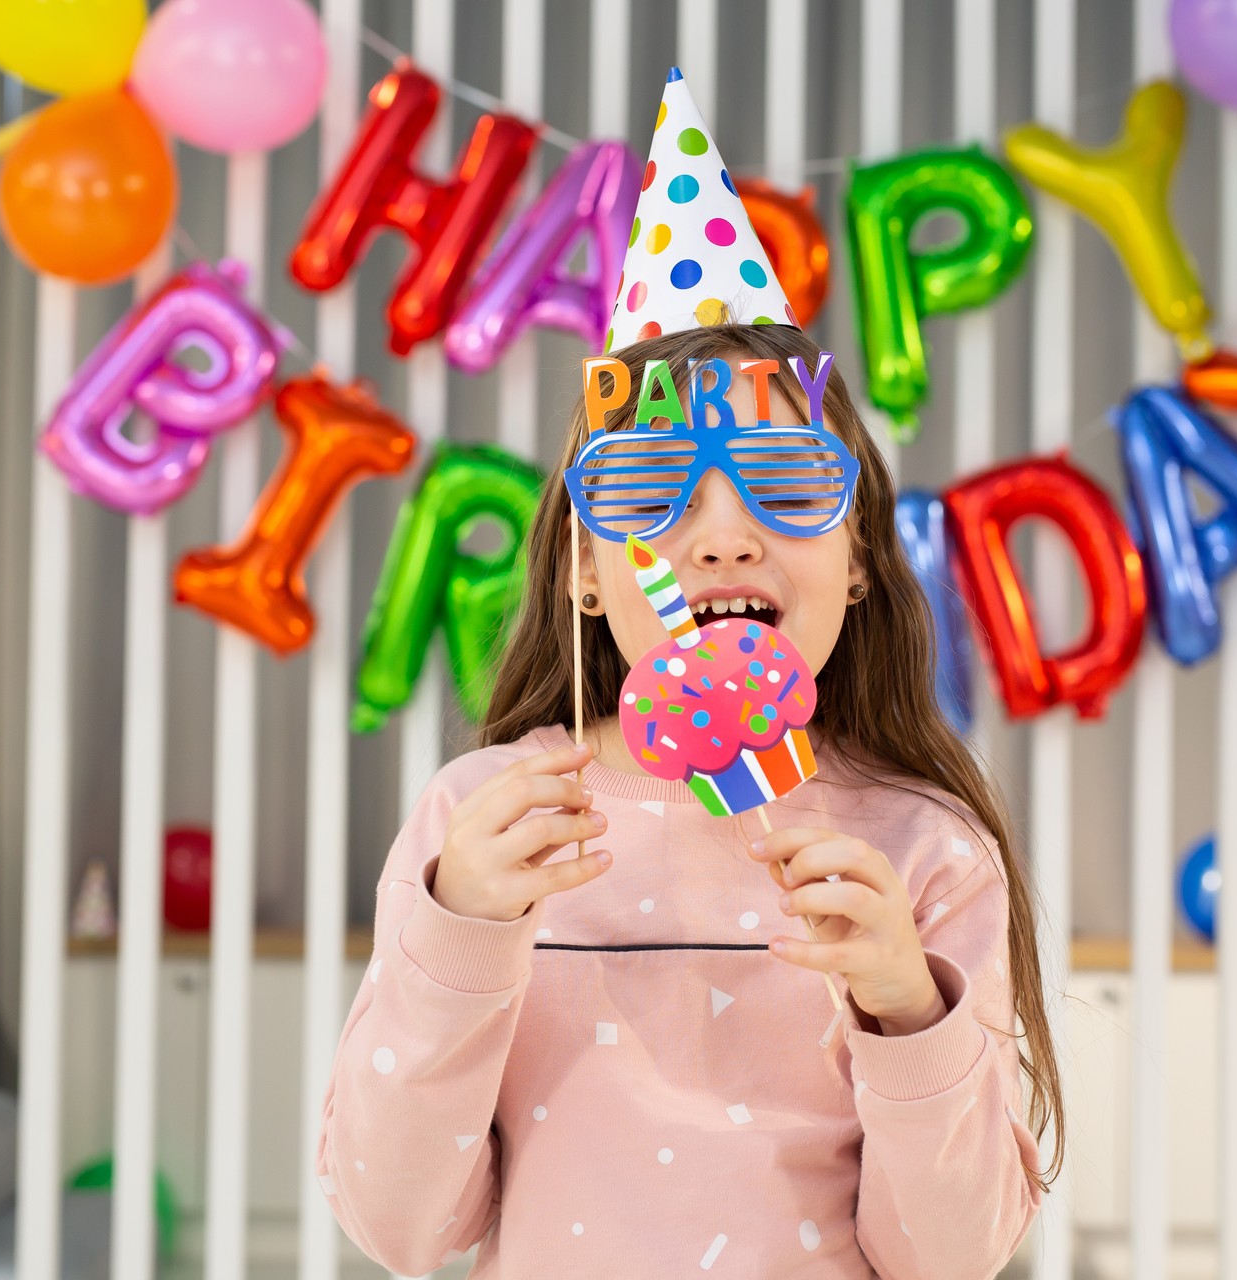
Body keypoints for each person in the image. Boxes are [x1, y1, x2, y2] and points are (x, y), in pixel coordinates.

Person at [316, 69, 1056, 1279]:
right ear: (585, 574)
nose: (719, 535)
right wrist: (465, 926)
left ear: (860, 558)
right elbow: (399, 1226)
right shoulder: (480, 821)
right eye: (651, 491)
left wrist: (901, 1007)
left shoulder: (924, 851)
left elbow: (952, 1257)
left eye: (783, 481)